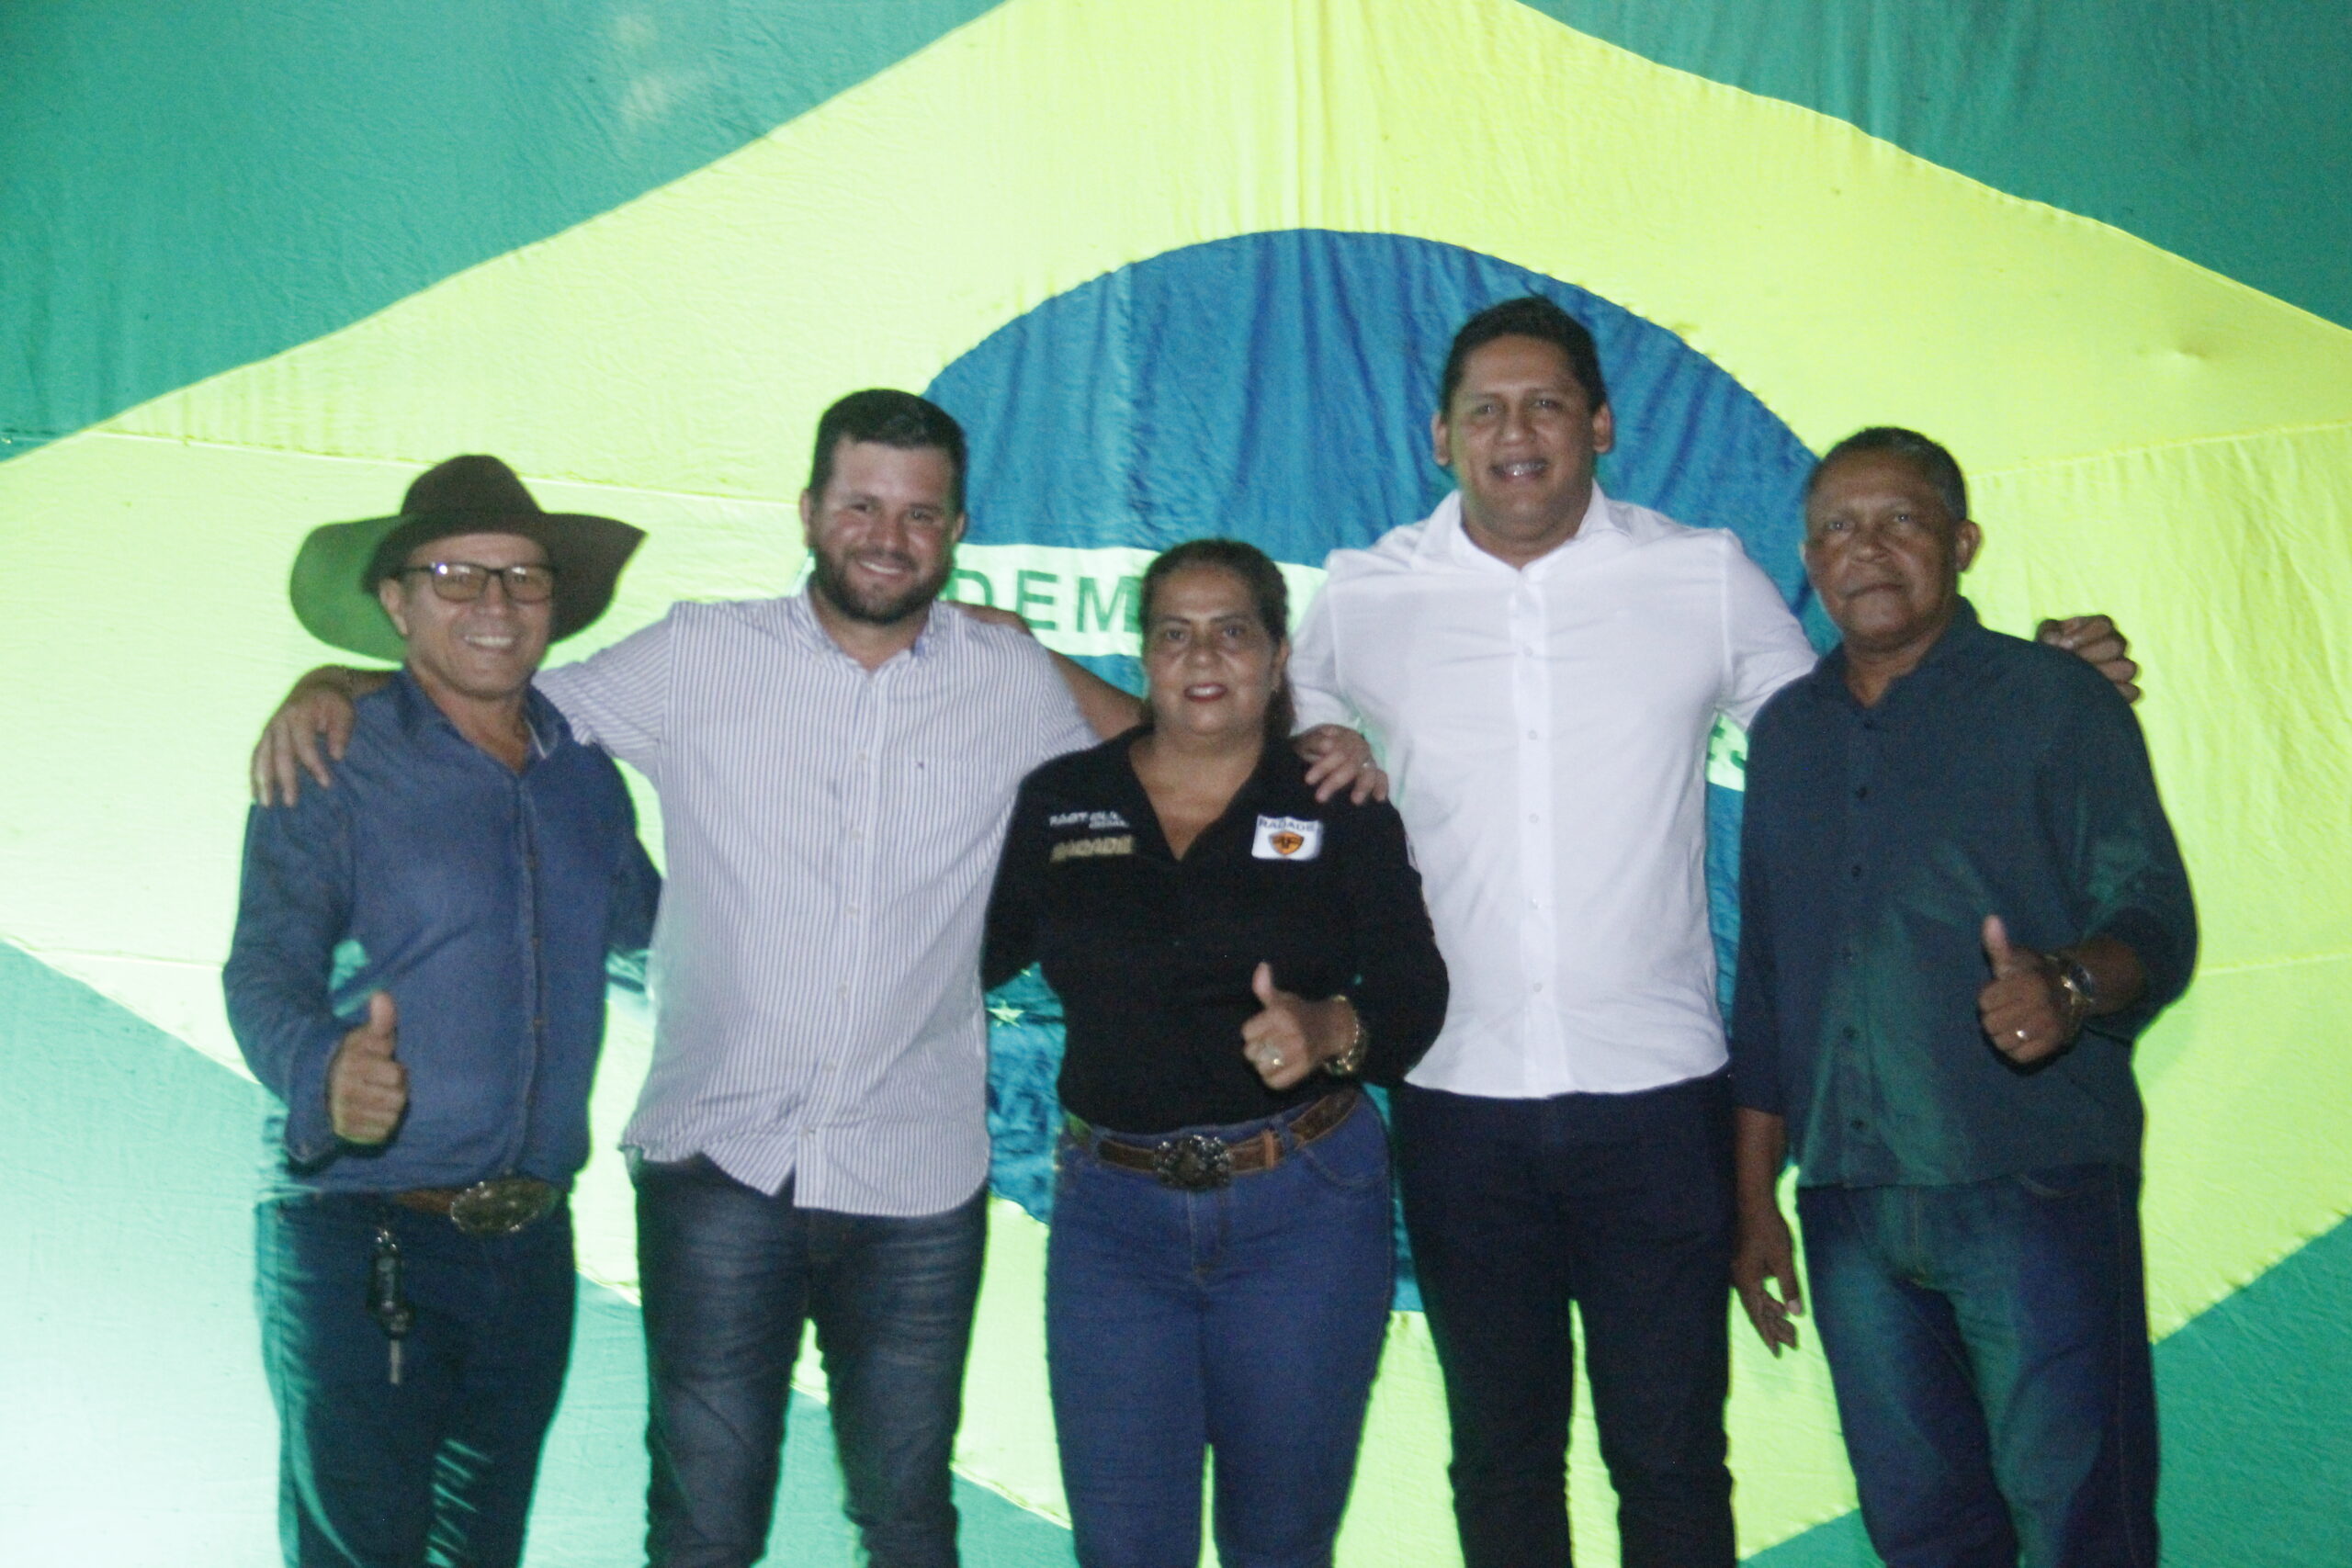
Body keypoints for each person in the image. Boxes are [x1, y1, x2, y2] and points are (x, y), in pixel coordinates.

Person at [245, 393, 1385, 1568]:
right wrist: (339, 682)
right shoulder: (696, 653)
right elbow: (488, 699)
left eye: (919, 514)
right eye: (860, 506)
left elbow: (1178, 747)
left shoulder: (1006, 675)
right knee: (702, 1530)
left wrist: (1312, 747)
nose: (887, 536)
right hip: (717, 1164)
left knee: (908, 1526)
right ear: (807, 512)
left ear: (955, 532)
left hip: (914, 1172)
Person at [1285, 297, 2144, 1566]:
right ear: (1440, 437)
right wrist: (1319, 734)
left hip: (1660, 1100)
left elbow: (1856, 718)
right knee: (1501, 1460)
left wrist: (2038, 675)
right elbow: (1267, 740)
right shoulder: (1363, 595)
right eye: (1485, 410)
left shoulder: (1698, 573)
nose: (1516, 433)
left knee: (1674, 1457)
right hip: (1456, 1094)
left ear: (1600, 425)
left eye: (1546, 405)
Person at [1728, 428, 2194, 1568]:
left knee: (2081, 1526)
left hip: (2032, 1182)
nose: (1866, 549)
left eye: (1900, 520)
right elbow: (1769, 984)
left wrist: (2069, 984)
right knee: (1923, 1535)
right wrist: (1750, 1200)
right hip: (1849, 1204)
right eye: (1838, 528)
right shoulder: (1784, 735)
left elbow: (2157, 922)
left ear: (1962, 542)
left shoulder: (2054, 699)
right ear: (1809, 560)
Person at [224, 455, 661, 1568]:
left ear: (554, 600)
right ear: (396, 601)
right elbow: (262, 972)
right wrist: (326, 1070)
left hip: (530, 1249)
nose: (494, 603)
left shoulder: (583, 773)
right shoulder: (332, 754)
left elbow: (663, 944)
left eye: (521, 576)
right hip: (365, 1234)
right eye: (456, 576)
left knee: (484, 1554)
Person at [982, 539, 1448, 1568]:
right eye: (1174, 632)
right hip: (1113, 1222)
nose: (1202, 656)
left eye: (1232, 631)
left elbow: (1416, 996)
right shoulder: (1061, 798)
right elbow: (968, 955)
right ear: (1143, 655)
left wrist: (1331, 1029)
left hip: (1303, 1214)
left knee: (1278, 1547)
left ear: (1277, 658)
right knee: (1122, 1548)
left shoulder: (1336, 800)